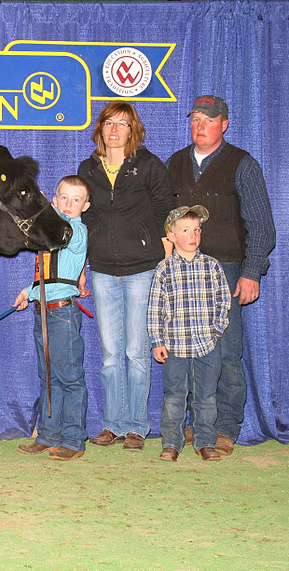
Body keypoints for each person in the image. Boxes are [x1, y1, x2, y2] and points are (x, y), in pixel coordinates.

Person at [167, 95, 276, 455]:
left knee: (226, 350)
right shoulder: (176, 163)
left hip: (227, 269)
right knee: (186, 349)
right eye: (196, 119)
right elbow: (164, 220)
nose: (200, 126)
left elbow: (261, 226)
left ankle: (226, 427)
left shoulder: (242, 164)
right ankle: (197, 425)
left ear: (224, 124)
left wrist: (251, 272)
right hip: (184, 270)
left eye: (209, 120)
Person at [78, 102, 173, 451]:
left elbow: (166, 211)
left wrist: (165, 259)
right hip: (102, 268)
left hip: (142, 269)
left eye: (122, 124)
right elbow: (83, 223)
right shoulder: (87, 168)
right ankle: (112, 425)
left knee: (136, 351)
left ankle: (136, 427)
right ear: (100, 128)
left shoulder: (148, 165)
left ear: (133, 130)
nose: (114, 130)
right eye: (109, 123)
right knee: (110, 353)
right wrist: (81, 269)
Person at [15, 176, 91, 461]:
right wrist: (27, 292)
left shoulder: (78, 231)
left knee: (69, 377)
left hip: (63, 314)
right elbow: (46, 277)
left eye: (76, 200)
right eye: (63, 198)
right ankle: (48, 435)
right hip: (43, 311)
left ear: (86, 206)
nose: (69, 205)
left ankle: (73, 440)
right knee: (48, 377)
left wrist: (48, 210)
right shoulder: (49, 234)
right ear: (56, 199)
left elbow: (65, 230)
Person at [147, 206, 231, 462]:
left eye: (196, 230)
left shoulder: (212, 266)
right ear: (171, 236)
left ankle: (205, 441)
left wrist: (215, 332)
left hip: (207, 345)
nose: (193, 235)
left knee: (206, 396)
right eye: (185, 230)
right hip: (175, 346)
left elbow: (223, 301)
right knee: (174, 396)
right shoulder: (164, 269)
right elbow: (155, 308)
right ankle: (172, 442)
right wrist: (157, 341)